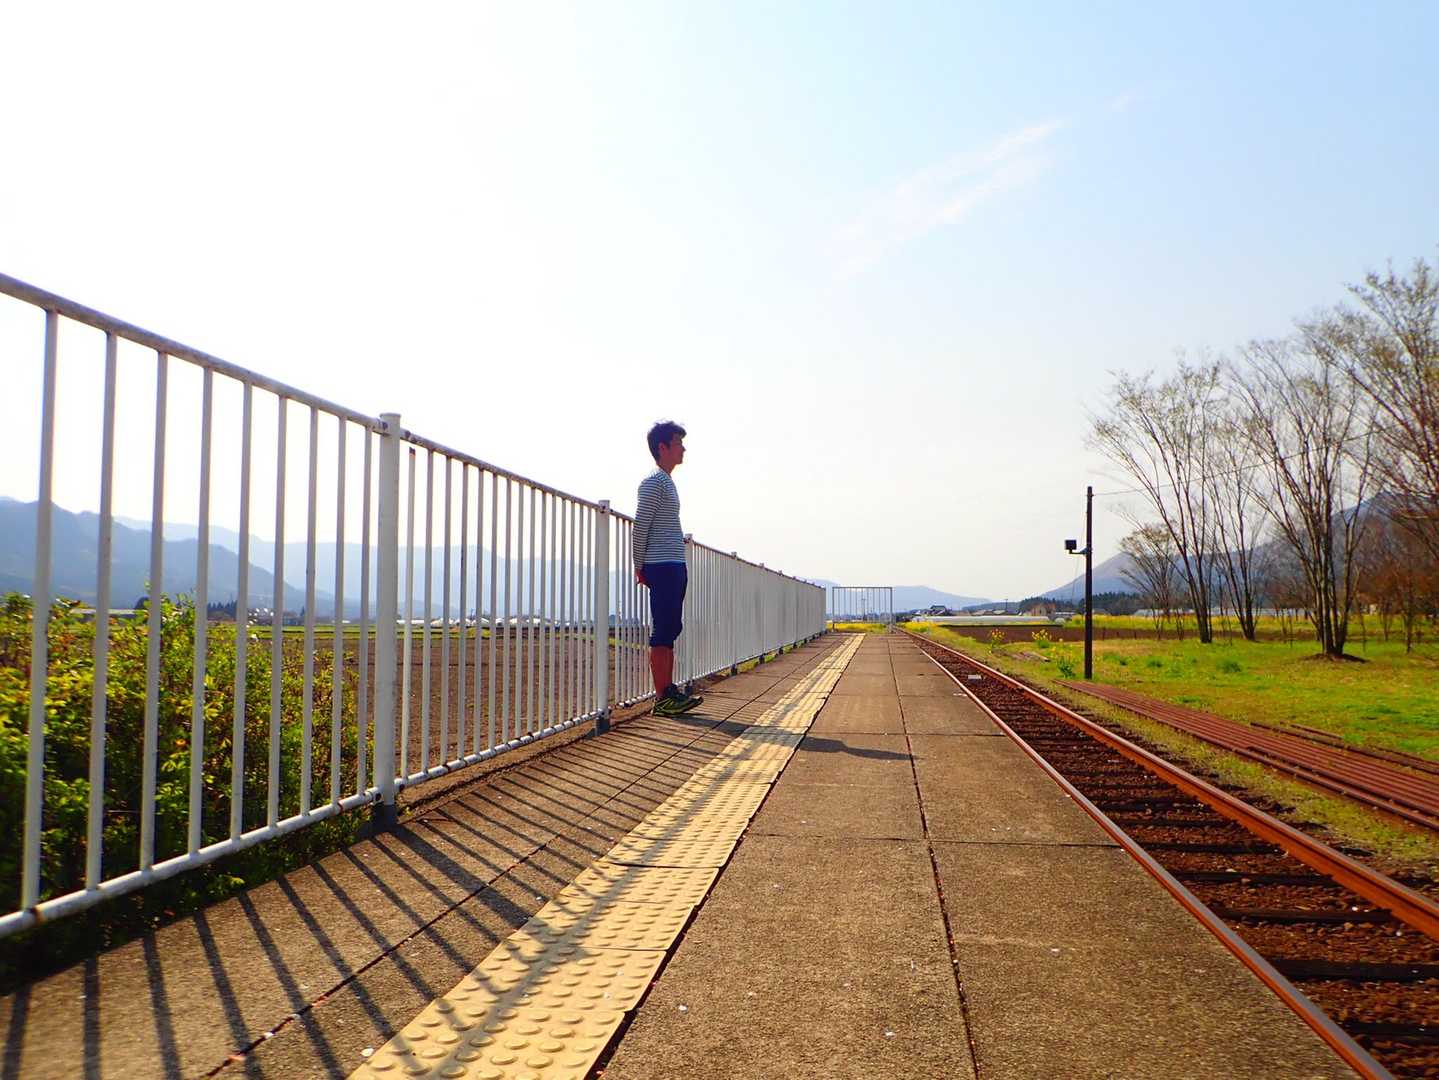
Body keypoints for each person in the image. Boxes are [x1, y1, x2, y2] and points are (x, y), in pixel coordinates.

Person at [633, 420, 703, 716]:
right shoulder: (654, 482)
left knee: (671, 627)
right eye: (678, 443)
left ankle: (669, 691)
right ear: (662, 447)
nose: (683, 448)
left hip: (672, 564)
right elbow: (640, 527)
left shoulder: (665, 481)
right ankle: (662, 697)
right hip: (662, 565)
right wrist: (639, 565)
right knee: (663, 629)